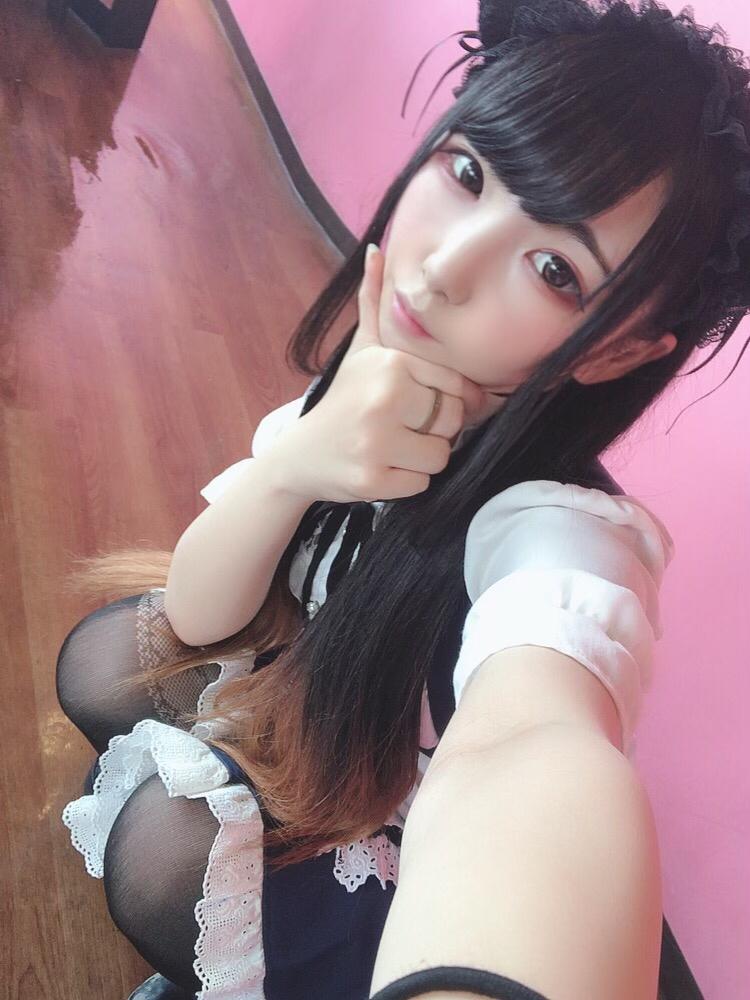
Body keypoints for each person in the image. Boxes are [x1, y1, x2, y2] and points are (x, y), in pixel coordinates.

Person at [55, 0, 749, 997]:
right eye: (467, 173)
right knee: (105, 658)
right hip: (323, 704)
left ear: (617, 352)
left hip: (397, 843)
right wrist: (301, 461)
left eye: (554, 268)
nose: (444, 266)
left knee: (164, 846)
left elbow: (540, 733)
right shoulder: (374, 381)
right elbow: (202, 614)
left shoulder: (558, 537)